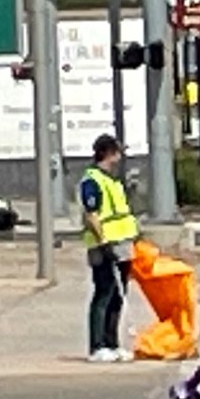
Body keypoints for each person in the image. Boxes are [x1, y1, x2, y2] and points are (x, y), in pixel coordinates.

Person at [80, 134, 139, 363]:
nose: (120, 157)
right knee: (104, 292)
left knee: (118, 294)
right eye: (117, 152)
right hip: (104, 244)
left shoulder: (113, 180)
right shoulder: (92, 180)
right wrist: (103, 242)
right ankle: (97, 346)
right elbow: (91, 214)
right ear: (107, 153)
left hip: (122, 241)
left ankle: (112, 343)